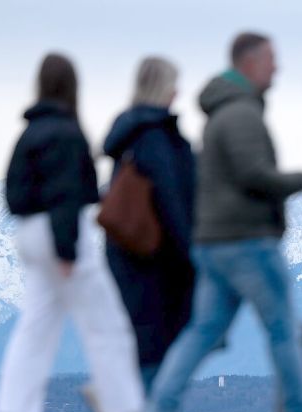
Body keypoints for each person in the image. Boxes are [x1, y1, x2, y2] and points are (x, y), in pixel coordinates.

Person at [141, 32, 302, 412]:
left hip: (214, 244)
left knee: (203, 330)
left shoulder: (224, 113)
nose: (277, 67)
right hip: (247, 241)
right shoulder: (241, 115)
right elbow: (253, 174)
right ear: (248, 62)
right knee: (283, 331)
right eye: (271, 58)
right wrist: (301, 180)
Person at [0, 52, 147, 412]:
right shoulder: (68, 133)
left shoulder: (27, 134)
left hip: (29, 232)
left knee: (36, 326)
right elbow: (64, 195)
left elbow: (15, 194)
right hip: (61, 233)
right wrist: (66, 248)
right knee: (106, 325)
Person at [103, 56, 197, 393]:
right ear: (163, 87)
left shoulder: (126, 133)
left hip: (125, 249)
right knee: (158, 345)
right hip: (158, 254)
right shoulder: (154, 135)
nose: (178, 91)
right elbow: (169, 196)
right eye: (174, 82)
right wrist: (189, 249)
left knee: (142, 342)